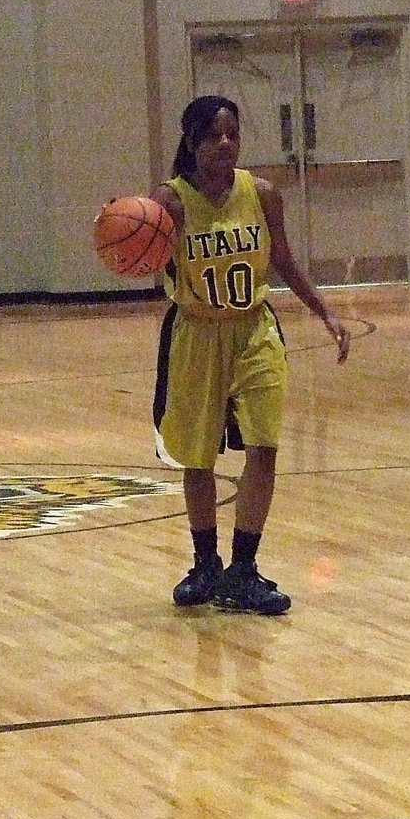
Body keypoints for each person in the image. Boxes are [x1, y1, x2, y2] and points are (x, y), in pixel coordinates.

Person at [150, 94, 350, 614]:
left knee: (264, 446)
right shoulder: (168, 204)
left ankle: (244, 568)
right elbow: (137, 258)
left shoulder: (261, 194)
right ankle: (204, 564)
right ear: (192, 142)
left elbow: (282, 260)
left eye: (233, 134)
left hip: (255, 329)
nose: (226, 144)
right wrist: (120, 236)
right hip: (196, 333)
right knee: (197, 455)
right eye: (215, 136)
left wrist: (325, 311)